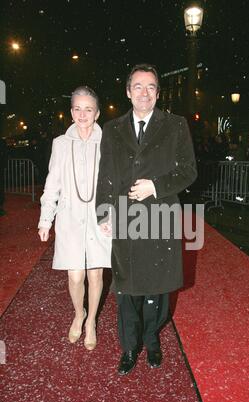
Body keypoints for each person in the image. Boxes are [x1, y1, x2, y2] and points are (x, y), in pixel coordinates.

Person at [96, 64, 197, 375]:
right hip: (125, 217)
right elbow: (106, 175)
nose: (144, 92)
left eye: (150, 87)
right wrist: (103, 211)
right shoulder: (112, 129)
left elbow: (188, 171)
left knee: (157, 288)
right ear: (128, 92)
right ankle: (129, 347)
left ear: (157, 92)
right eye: (138, 86)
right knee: (126, 288)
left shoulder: (176, 125)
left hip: (160, 217)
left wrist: (156, 186)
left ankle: (152, 341)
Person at [38, 86, 111, 350]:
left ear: (97, 113)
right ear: (71, 112)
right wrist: (45, 219)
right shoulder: (60, 144)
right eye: (78, 108)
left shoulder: (108, 142)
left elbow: (114, 184)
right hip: (69, 218)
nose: (83, 114)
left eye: (88, 109)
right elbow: (52, 184)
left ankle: (91, 320)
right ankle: (78, 313)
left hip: (99, 219)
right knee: (75, 276)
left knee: (95, 275)